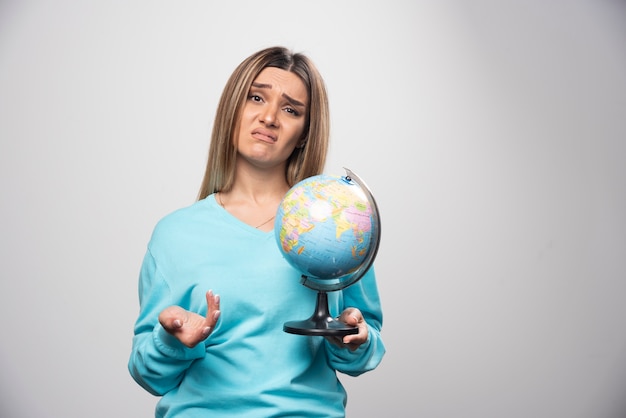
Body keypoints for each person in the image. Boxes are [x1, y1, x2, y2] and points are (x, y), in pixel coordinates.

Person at [128, 46, 385, 418]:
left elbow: (365, 346)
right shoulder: (175, 235)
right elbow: (149, 375)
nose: (269, 117)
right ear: (233, 108)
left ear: (302, 134)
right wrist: (171, 341)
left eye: (290, 109)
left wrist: (354, 338)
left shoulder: (338, 224)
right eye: (256, 97)